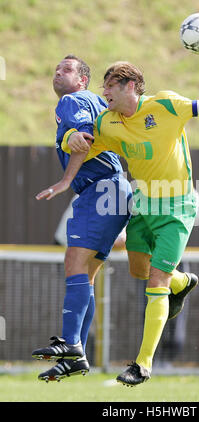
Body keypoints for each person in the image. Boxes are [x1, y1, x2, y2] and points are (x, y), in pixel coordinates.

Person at [40, 61, 199, 386]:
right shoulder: (109, 122)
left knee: (155, 282)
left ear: (129, 86)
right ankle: (182, 282)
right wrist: (67, 172)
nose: (104, 91)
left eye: (109, 85)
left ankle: (142, 364)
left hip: (176, 208)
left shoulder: (166, 104)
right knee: (138, 269)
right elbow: (88, 145)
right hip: (142, 206)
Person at [31, 56, 132, 382]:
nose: (58, 72)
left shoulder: (72, 100)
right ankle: (77, 355)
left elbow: (83, 140)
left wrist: (64, 182)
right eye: (56, 68)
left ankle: (72, 345)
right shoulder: (92, 101)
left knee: (74, 263)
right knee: (85, 275)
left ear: (83, 80)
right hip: (112, 190)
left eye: (67, 69)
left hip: (100, 190)